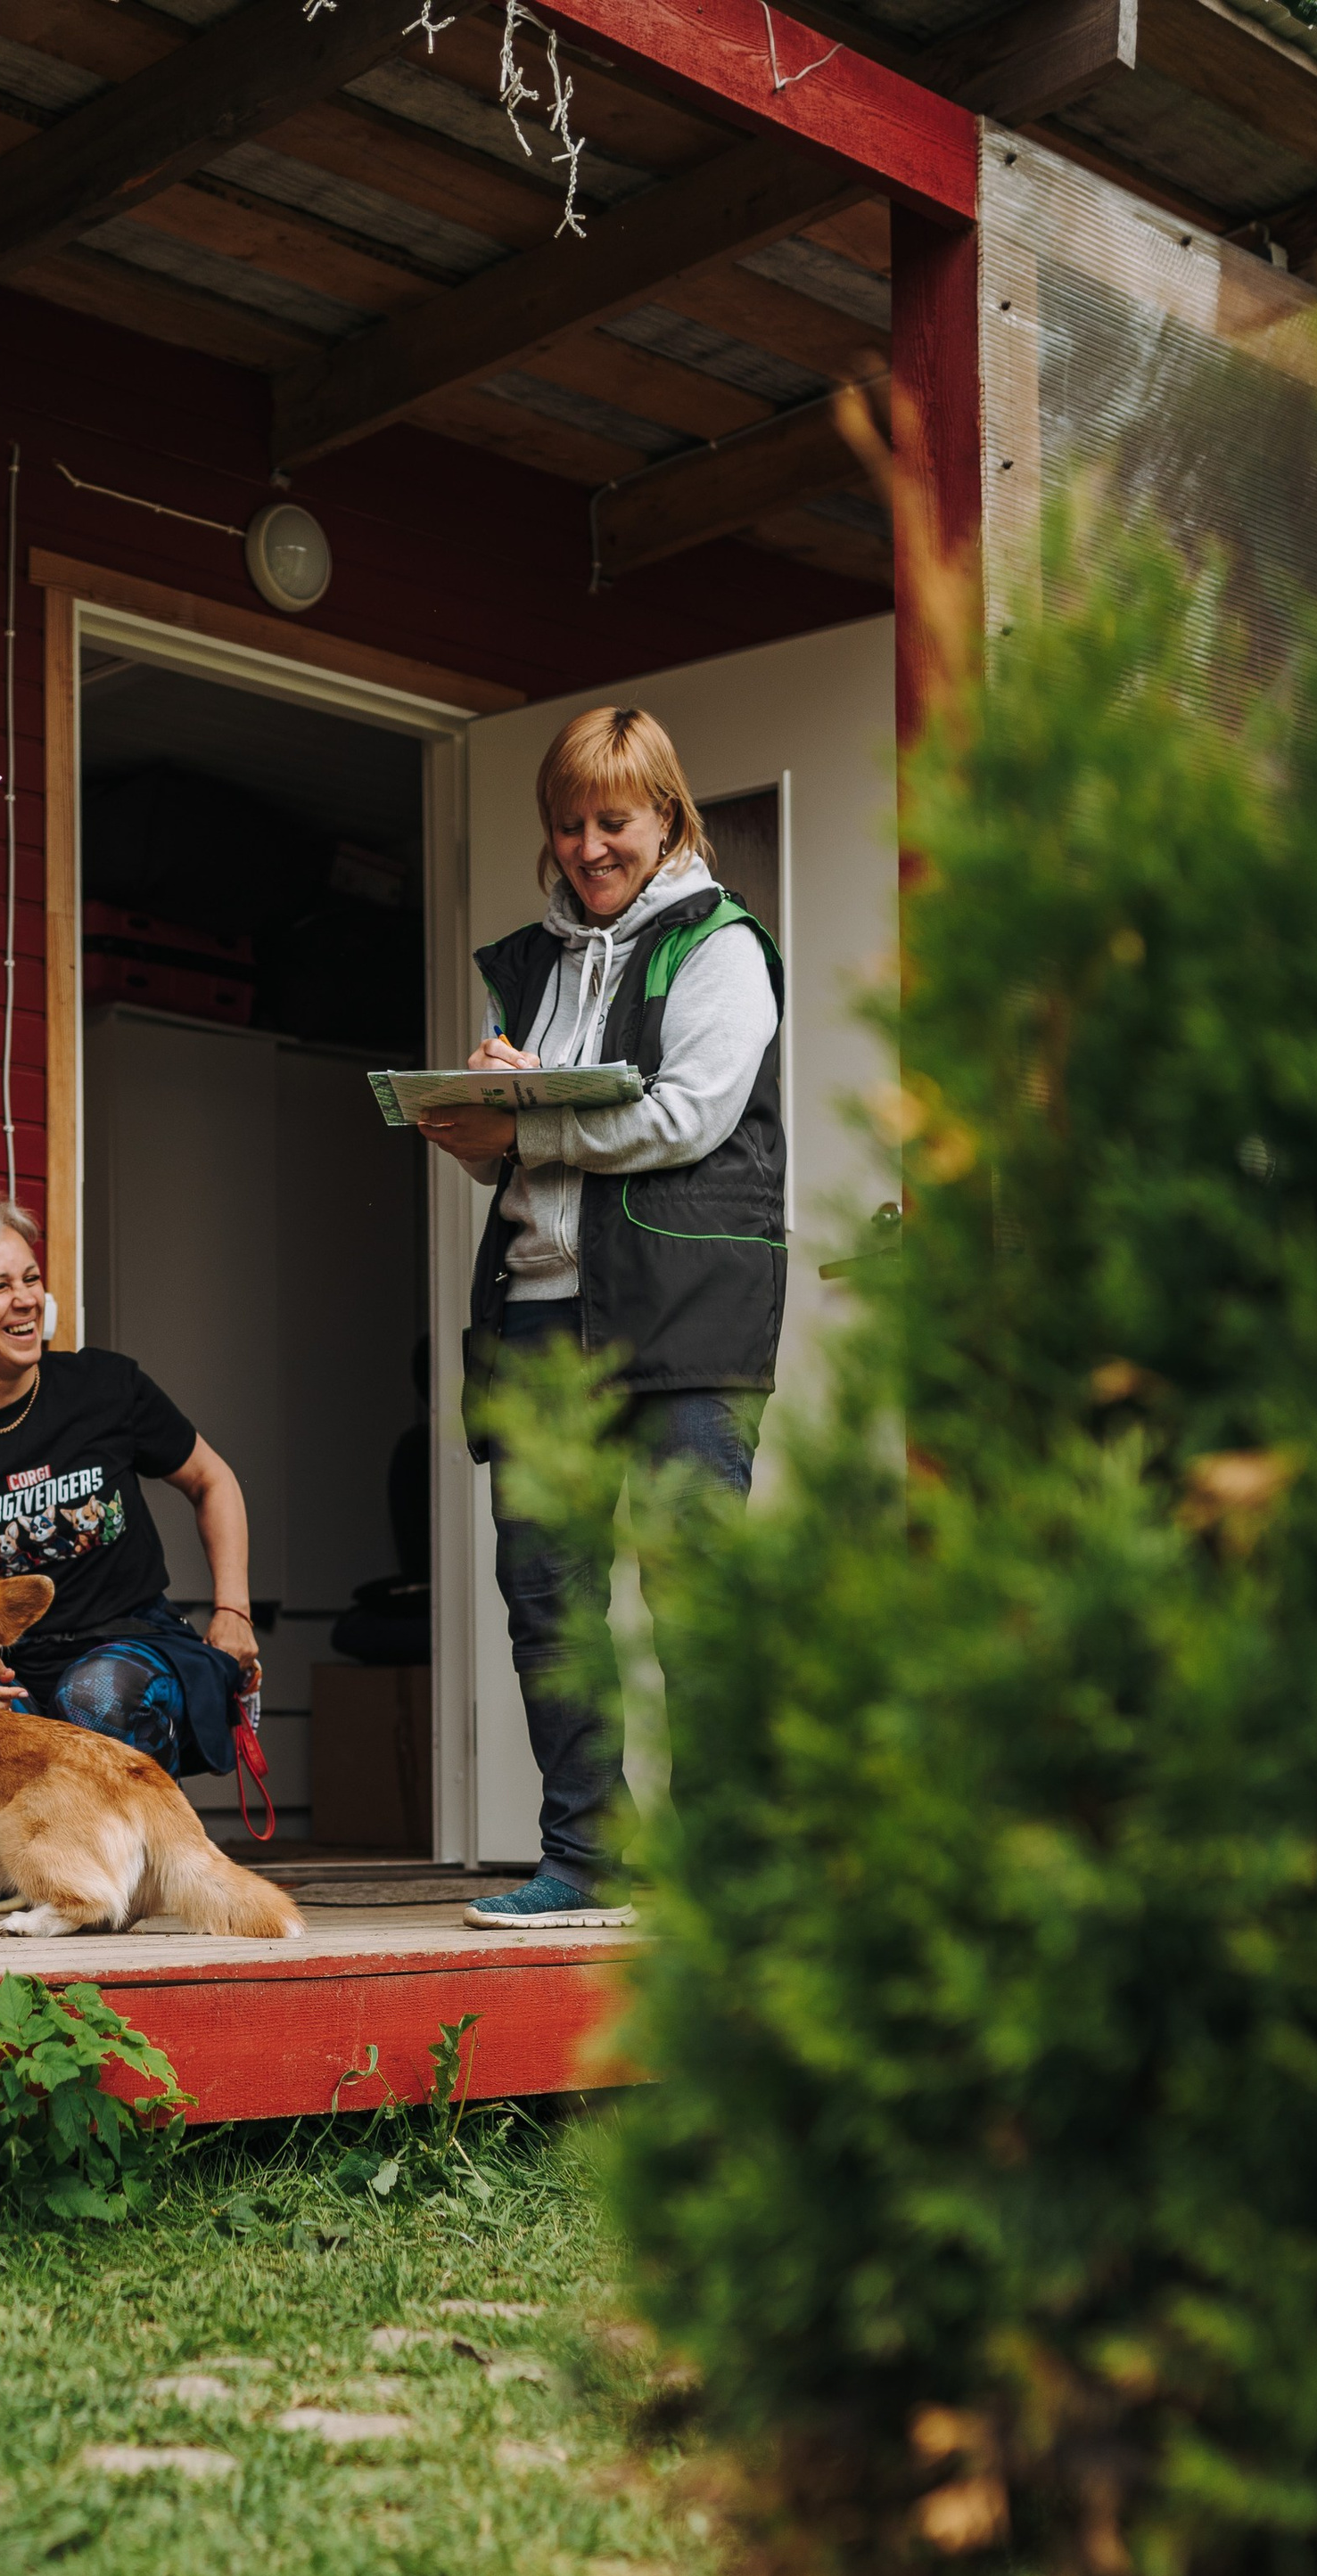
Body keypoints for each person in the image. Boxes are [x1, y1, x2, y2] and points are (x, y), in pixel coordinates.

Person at [415, 705, 786, 1932]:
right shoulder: (533, 960)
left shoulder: (721, 945)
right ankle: (588, 1860)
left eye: (614, 820)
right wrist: (484, 1128)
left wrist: (523, 1125)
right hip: (535, 1315)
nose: (589, 845)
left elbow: (687, 1116)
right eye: (569, 824)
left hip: (682, 1321)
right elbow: (531, 1165)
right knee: (550, 1599)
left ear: (668, 817)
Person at [0, 1198, 259, 1783]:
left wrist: (234, 1610)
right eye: (0, 1285)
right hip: (16, 1663)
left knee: (94, 1696)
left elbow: (213, 1480)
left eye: (30, 1278)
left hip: (133, 1647)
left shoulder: (104, 1388)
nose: (28, 1298)